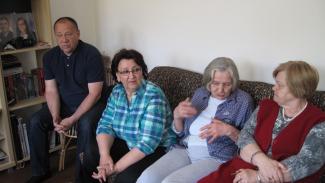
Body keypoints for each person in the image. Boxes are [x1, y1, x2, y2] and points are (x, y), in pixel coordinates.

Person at [199, 61, 325, 183]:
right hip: (242, 168)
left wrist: (258, 177)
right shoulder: (266, 106)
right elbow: (244, 136)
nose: (273, 88)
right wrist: (261, 160)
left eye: (279, 85)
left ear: (299, 89)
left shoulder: (318, 121)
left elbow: (308, 162)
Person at [137, 57, 254, 183]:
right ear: (208, 81)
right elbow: (180, 133)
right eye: (215, 83)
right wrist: (177, 116)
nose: (220, 90)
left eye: (227, 84)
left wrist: (228, 130)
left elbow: (250, 141)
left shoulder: (243, 101)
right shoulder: (201, 94)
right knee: (148, 176)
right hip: (184, 149)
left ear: (234, 82)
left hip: (215, 157)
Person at [27, 17, 108, 183]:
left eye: (68, 34)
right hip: (64, 104)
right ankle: (40, 171)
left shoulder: (91, 54)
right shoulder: (49, 57)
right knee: (35, 121)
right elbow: (50, 90)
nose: (64, 40)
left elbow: (95, 94)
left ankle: (81, 177)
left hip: (92, 104)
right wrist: (55, 115)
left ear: (78, 33)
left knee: (85, 125)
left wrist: (72, 119)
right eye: (59, 35)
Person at [90, 49, 177, 183]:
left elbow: (147, 143)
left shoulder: (153, 95)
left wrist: (115, 168)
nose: (131, 75)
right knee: (91, 153)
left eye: (135, 70)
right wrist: (104, 156)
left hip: (156, 149)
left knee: (126, 178)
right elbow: (106, 124)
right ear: (117, 76)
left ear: (142, 71)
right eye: (125, 72)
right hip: (128, 140)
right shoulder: (117, 92)